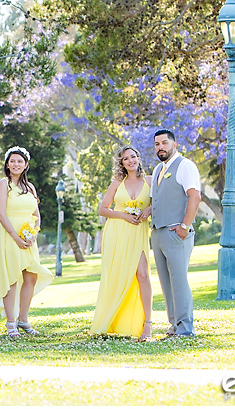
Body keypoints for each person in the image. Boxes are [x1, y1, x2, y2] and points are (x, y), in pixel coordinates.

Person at [90, 146, 153, 341]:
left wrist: (149, 208)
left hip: (138, 232)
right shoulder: (118, 182)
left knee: (142, 274)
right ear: (121, 163)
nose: (130, 161)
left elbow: (161, 201)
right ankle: (113, 320)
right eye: (126, 159)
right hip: (117, 231)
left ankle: (147, 324)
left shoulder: (150, 181)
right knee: (118, 275)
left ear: (139, 158)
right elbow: (103, 209)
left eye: (133, 156)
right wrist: (123, 215)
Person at [0, 146, 53, 338]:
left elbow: (36, 214)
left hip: (28, 238)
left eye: (20, 161)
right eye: (12, 161)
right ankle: (11, 323)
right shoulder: (4, 184)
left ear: (26, 165)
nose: (16, 164)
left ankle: (23, 320)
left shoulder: (30, 188)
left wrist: (33, 233)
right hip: (10, 236)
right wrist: (16, 237)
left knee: (31, 277)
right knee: (11, 277)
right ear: (7, 164)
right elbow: (0, 213)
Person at [149, 129, 201, 338]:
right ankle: (174, 326)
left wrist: (185, 226)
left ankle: (186, 328)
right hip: (158, 233)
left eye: (164, 143)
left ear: (174, 144)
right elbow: (156, 201)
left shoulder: (185, 166)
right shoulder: (158, 170)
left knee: (179, 281)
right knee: (166, 283)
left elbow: (194, 197)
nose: (160, 147)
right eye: (157, 144)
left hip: (176, 233)